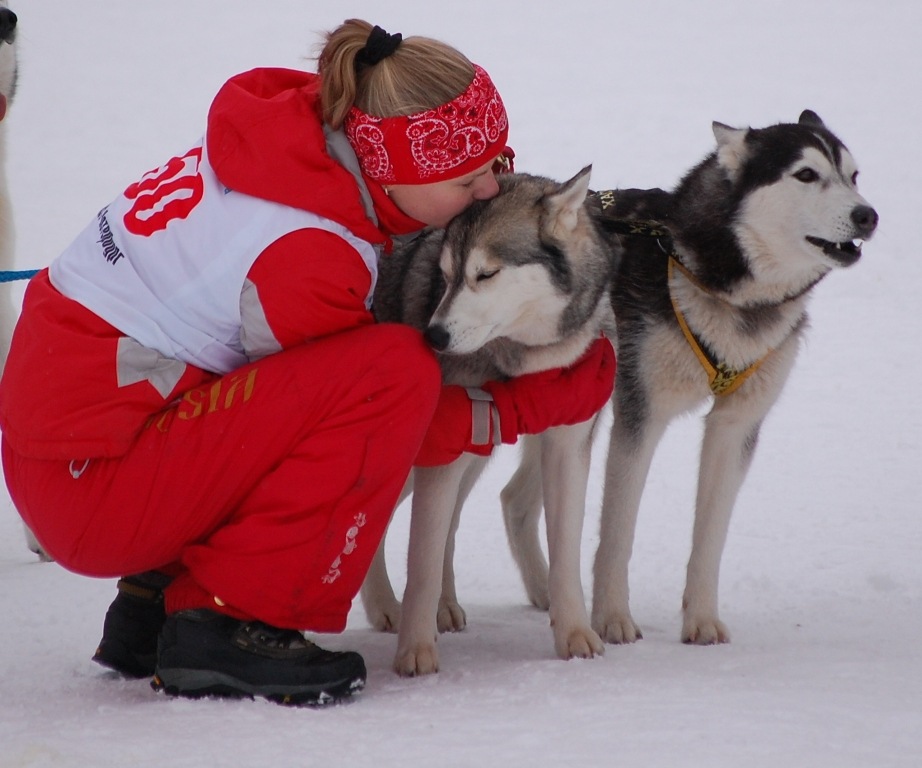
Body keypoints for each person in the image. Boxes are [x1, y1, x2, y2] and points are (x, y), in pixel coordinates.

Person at [0, 20, 615, 706]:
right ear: (397, 171)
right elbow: (383, 428)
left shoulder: (296, 144)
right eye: (466, 179)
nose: (489, 194)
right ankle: (227, 622)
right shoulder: (310, 251)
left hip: (72, 441)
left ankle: (154, 604)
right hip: (94, 483)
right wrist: (531, 406)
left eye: (498, 164)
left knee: (319, 381)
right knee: (393, 373)